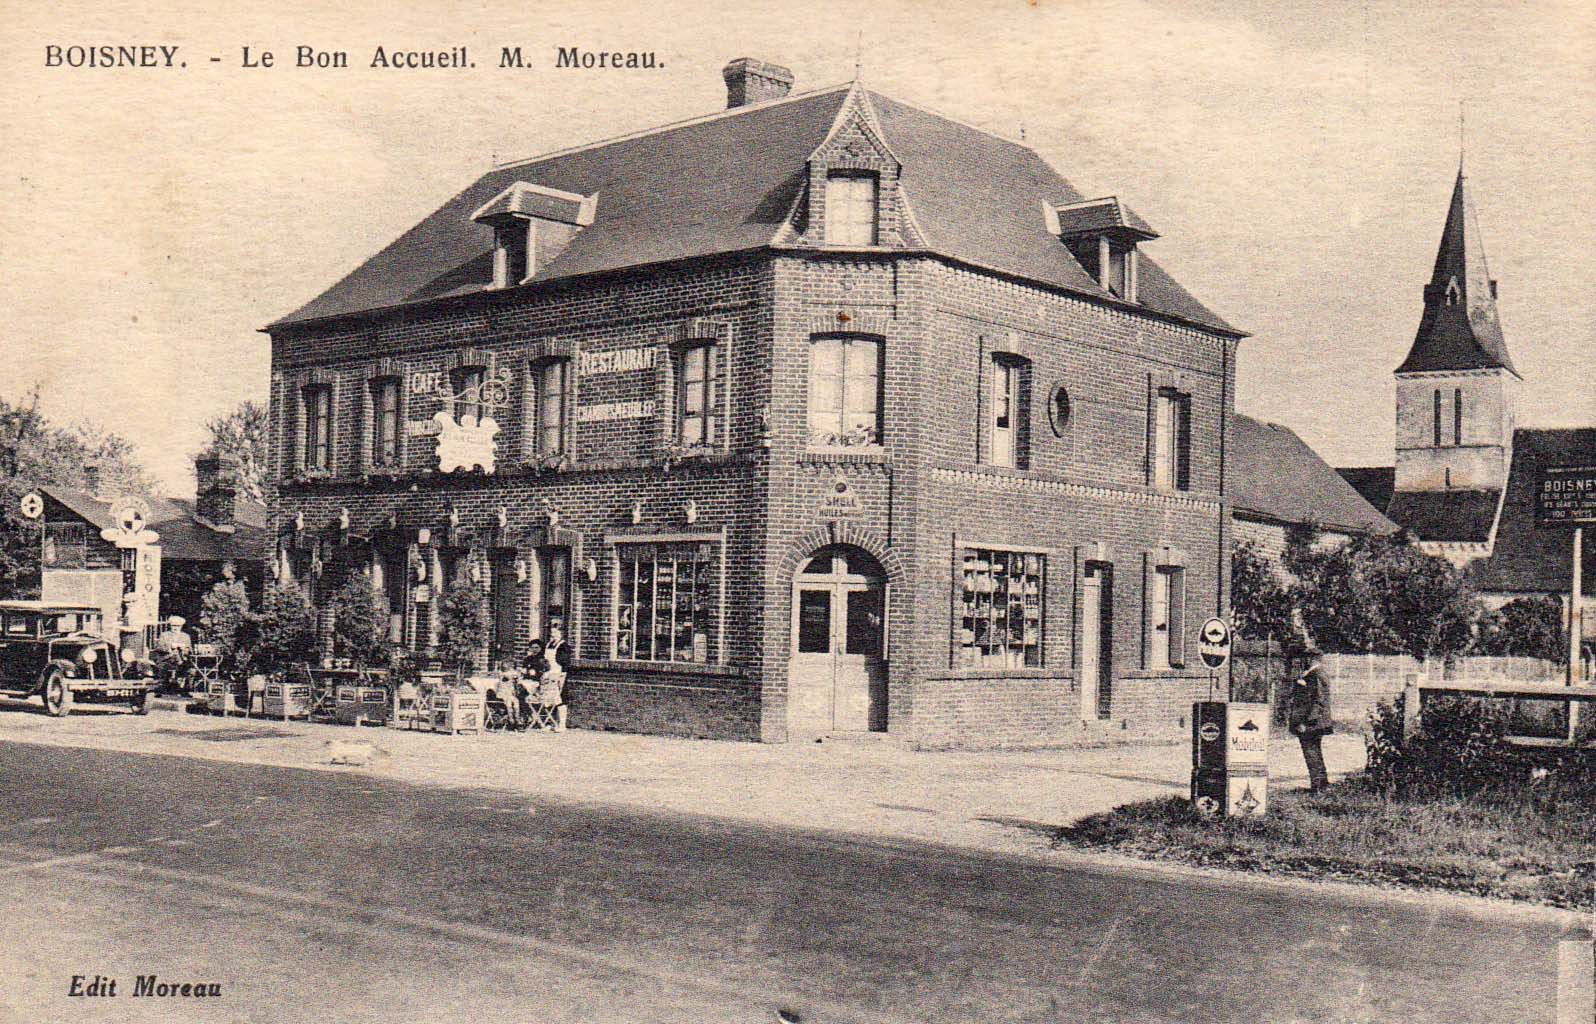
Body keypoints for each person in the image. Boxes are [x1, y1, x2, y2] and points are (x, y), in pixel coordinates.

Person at [1288, 650, 1333, 793]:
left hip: (1312, 723)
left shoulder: (1316, 675)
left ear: (1311, 659)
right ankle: (1321, 785)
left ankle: (1318, 787)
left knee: (1311, 754)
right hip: (1313, 722)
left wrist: (1306, 722)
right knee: (1314, 753)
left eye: (1304, 658)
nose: (1302, 661)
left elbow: (1319, 701)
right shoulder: (1313, 674)